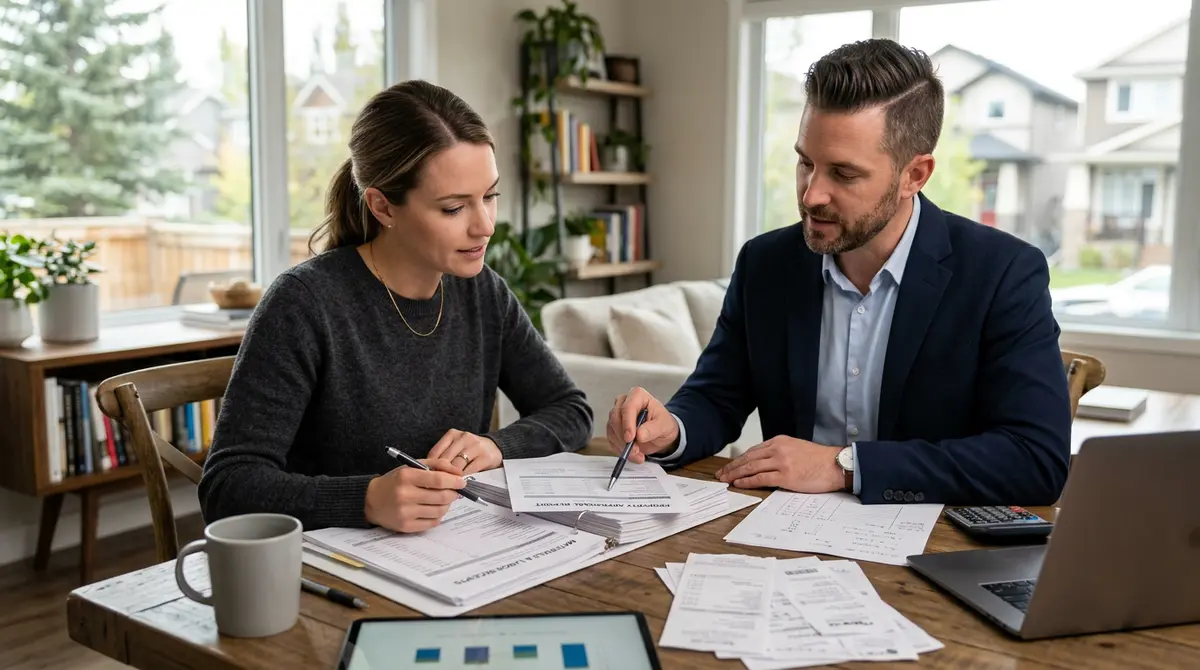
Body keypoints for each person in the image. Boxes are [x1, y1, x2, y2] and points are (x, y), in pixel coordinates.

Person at [605, 39, 1071, 506]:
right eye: (806, 163)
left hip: (933, 550)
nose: (811, 195)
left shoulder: (1003, 272)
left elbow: (1036, 459)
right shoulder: (765, 263)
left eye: (844, 174)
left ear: (916, 175)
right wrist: (670, 429)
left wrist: (843, 465)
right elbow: (717, 397)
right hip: (780, 539)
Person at [199, 80, 593, 533]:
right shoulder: (304, 303)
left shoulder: (483, 292)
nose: (485, 226)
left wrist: (496, 447)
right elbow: (227, 488)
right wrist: (364, 499)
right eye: (453, 208)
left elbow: (571, 409)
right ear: (383, 207)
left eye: (490, 196)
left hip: (455, 554)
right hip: (334, 574)